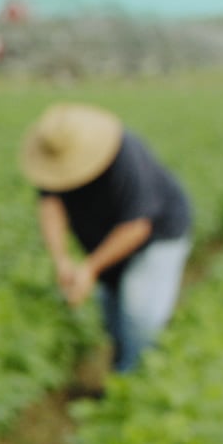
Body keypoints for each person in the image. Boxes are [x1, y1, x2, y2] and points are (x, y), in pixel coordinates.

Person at [21, 102, 193, 375]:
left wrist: (89, 268)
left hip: (158, 234)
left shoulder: (125, 156)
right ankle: (123, 367)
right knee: (113, 315)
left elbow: (137, 226)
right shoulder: (52, 156)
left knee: (139, 312)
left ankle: (135, 384)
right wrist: (62, 262)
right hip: (105, 237)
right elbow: (49, 206)